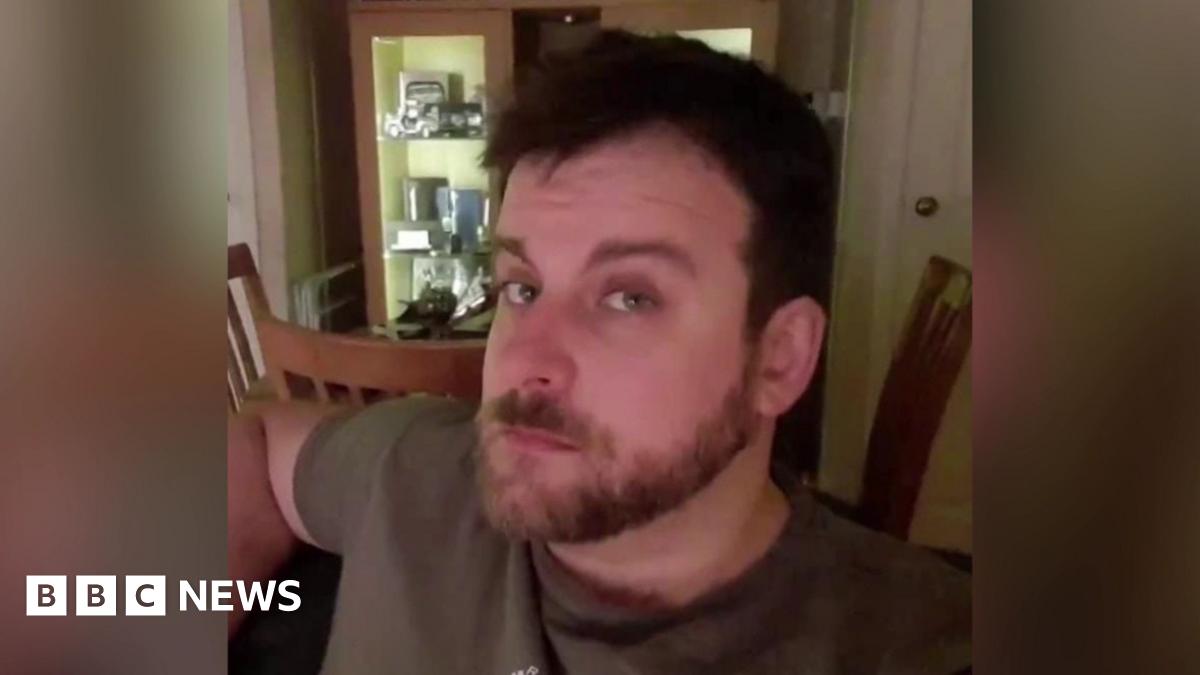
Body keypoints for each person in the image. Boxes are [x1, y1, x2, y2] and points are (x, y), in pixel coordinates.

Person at [228, 31, 971, 675]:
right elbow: (258, 443)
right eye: (521, 286)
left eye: (630, 298)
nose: (526, 361)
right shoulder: (419, 475)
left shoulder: (914, 645)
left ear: (778, 358)